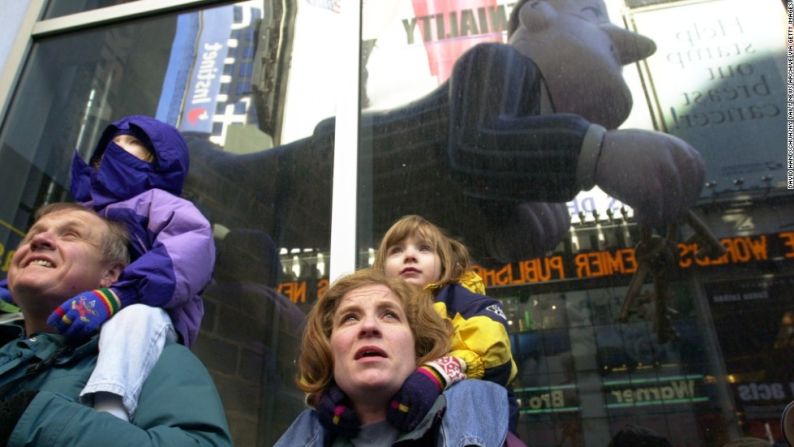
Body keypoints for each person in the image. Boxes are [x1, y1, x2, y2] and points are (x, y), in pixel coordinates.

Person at [189, 0, 704, 267]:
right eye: (594, 17)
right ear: (538, 16)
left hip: (354, 210)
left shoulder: (535, 137)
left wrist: (505, 231)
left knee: (248, 223)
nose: (619, 40)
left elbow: (462, 210)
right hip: (337, 168)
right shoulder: (502, 62)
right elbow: (477, 148)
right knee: (225, 184)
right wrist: (600, 155)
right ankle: (172, 163)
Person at [1, 114, 215, 420]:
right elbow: (44, 270)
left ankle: (110, 411)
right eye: (111, 144)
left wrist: (118, 295)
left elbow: (187, 253)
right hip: (85, 313)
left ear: (159, 160)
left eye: (132, 143)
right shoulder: (86, 211)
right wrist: (9, 292)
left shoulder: (161, 204)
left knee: (135, 318)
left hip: (152, 311)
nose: (118, 148)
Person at [0, 202, 230, 446]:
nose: (39, 240)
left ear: (110, 275)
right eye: (33, 234)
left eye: (70, 234)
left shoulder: (150, 352)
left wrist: (32, 421)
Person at [275, 268, 518, 446]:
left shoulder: (481, 422)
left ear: (419, 346)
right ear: (328, 349)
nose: (369, 326)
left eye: (390, 315)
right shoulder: (304, 434)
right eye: (350, 317)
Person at [371, 214, 518, 432]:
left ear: (443, 264)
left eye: (424, 249)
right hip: (406, 424)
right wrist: (340, 393)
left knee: (467, 392)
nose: (410, 256)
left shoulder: (465, 301)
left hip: (474, 427)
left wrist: (436, 374)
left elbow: (492, 349)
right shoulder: (373, 310)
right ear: (382, 267)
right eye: (396, 250)